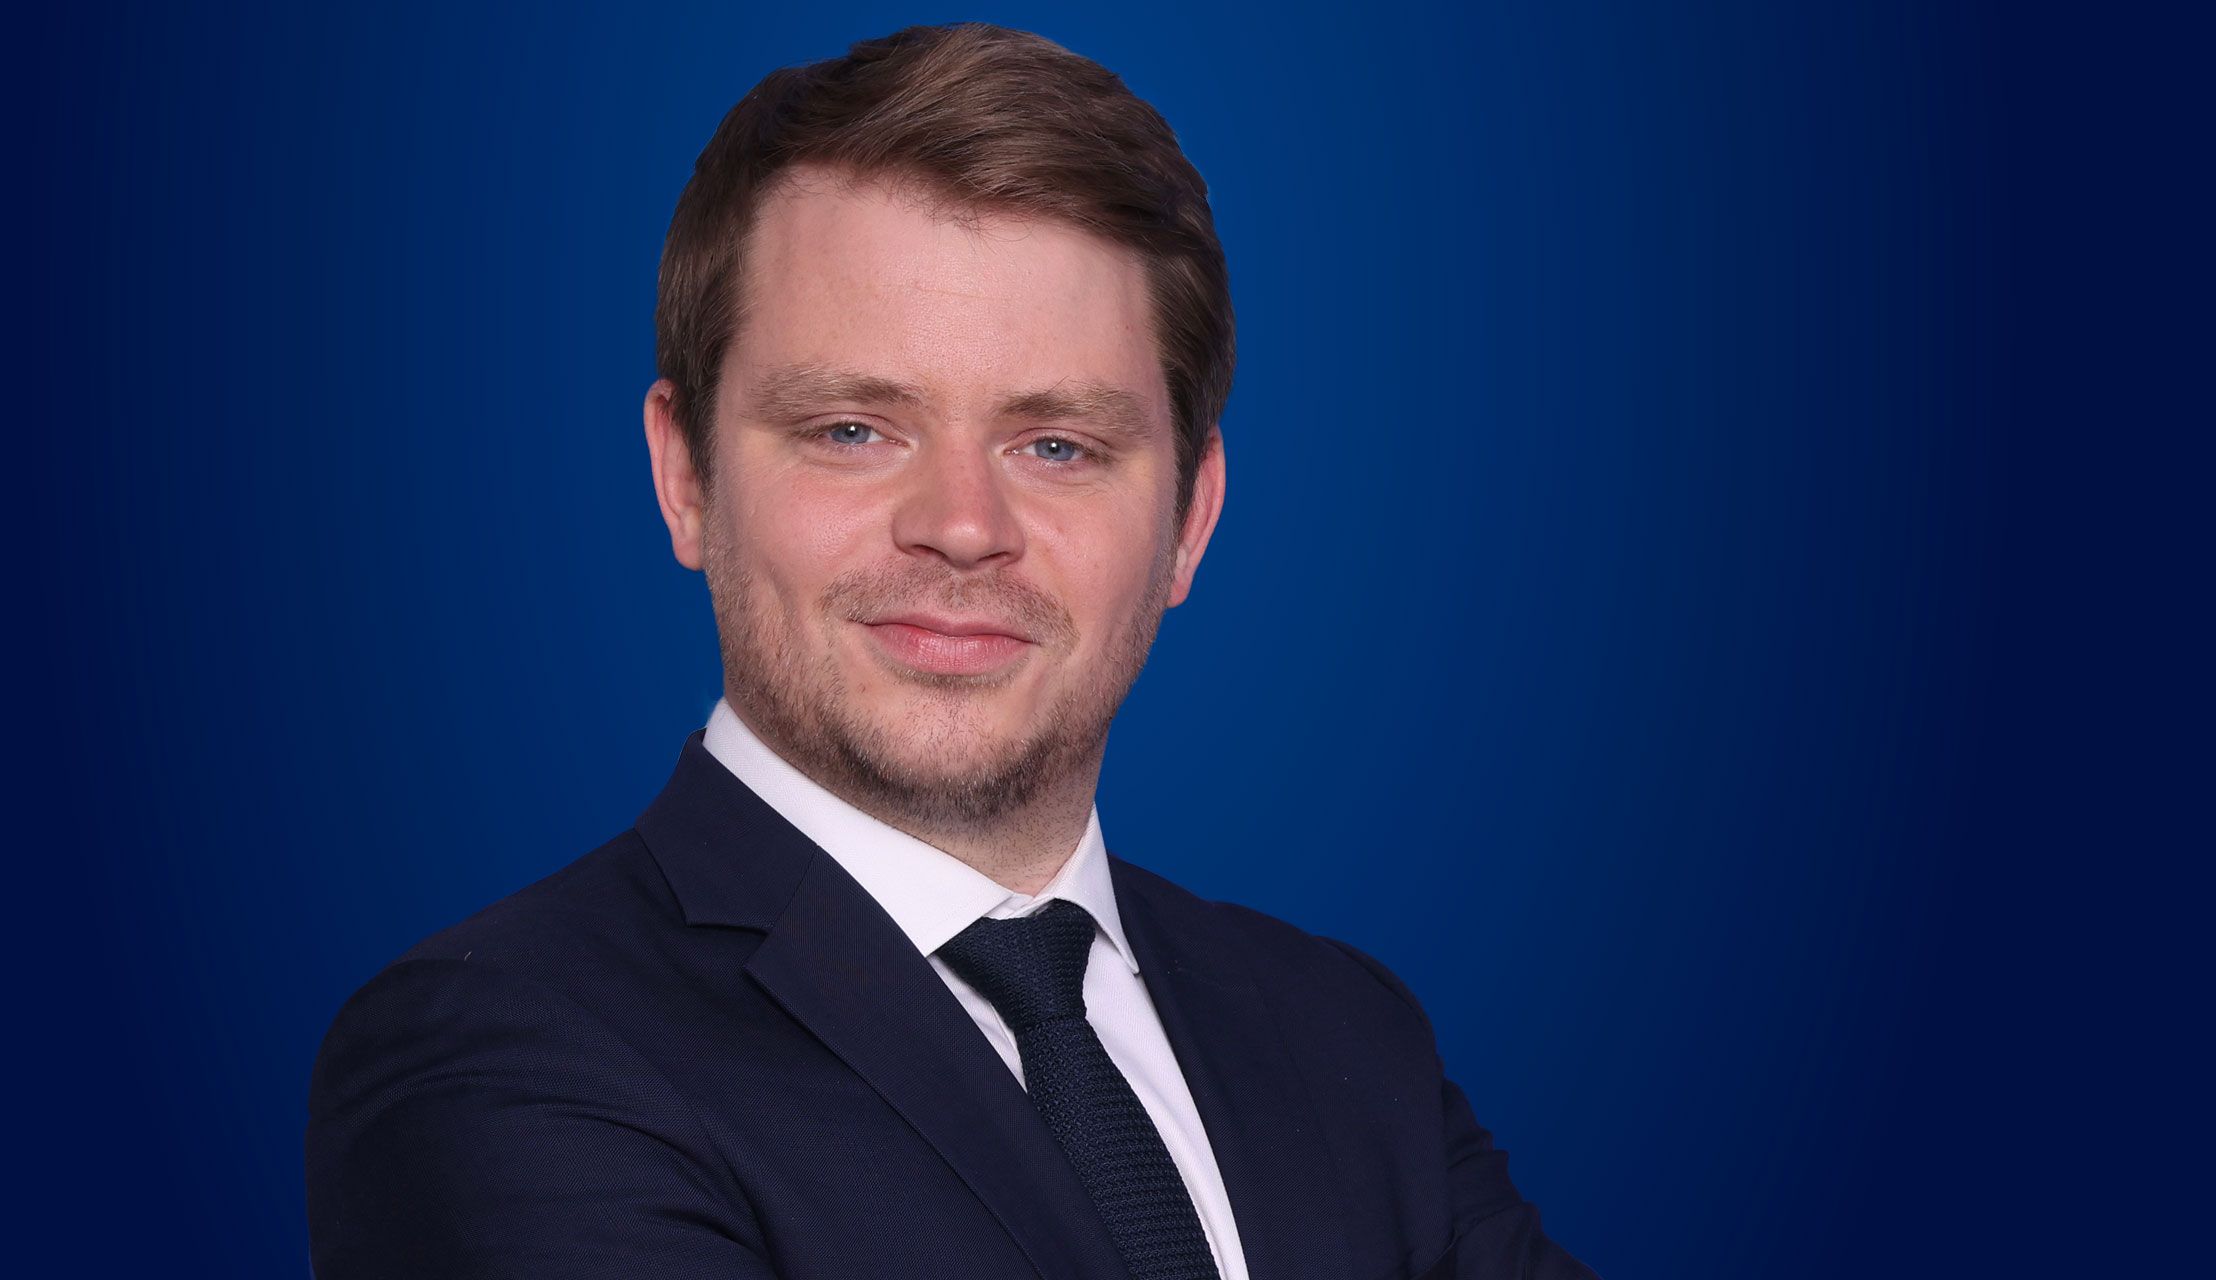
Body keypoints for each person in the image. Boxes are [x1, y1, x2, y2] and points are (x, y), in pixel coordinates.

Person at [307, 23, 1593, 1280]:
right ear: (685, 475)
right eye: (852, 429)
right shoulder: (500, 1053)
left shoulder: (1339, 1030)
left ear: (1190, 521)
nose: (964, 526)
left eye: (1058, 445)